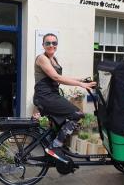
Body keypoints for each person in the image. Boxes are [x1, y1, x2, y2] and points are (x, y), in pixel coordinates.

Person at [33, 33, 96, 163]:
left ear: (57, 45)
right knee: (77, 114)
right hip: (46, 96)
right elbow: (56, 78)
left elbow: (61, 77)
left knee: (62, 121)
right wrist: (81, 84)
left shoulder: (54, 59)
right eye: (48, 43)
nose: (51, 45)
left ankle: (54, 147)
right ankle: (54, 147)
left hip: (52, 95)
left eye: (54, 43)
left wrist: (82, 79)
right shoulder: (41, 58)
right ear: (43, 45)